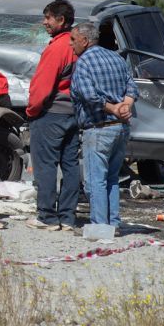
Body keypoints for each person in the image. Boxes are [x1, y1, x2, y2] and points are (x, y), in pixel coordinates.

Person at [69, 21, 138, 233]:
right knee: (112, 179)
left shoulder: (83, 64)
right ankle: (114, 223)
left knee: (95, 180)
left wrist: (114, 108)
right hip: (121, 128)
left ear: (85, 40)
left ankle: (100, 226)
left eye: (73, 40)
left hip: (99, 127)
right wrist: (125, 107)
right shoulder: (116, 57)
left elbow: (90, 97)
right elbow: (132, 87)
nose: (71, 45)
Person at [24, 0, 80, 231]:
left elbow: (42, 87)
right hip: (74, 113)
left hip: (52, 114)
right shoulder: (77, 45)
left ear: (61, 20)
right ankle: (67, 217)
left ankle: (47, 217)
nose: (44, 22)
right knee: (70, 165)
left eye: (48, 18)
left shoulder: (57, 48)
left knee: (46, 165)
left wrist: (31, 111)